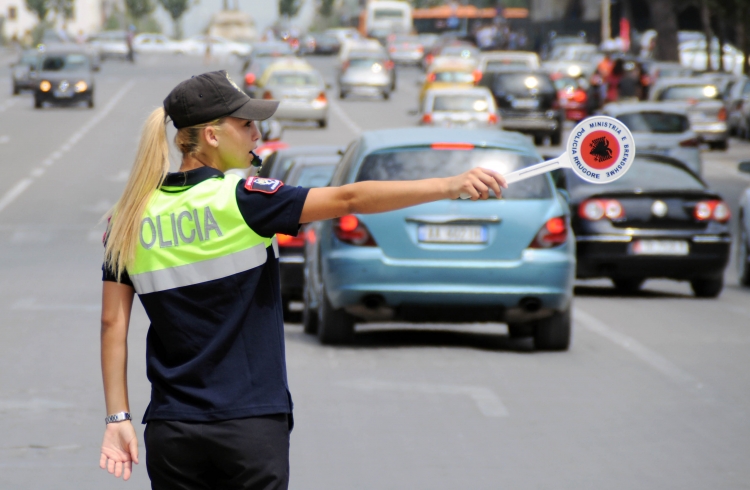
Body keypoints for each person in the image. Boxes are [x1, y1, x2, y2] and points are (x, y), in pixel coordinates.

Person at [98, 70, 507, 489]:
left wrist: (118, 418)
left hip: (172, 430)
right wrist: (448, 185)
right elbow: (348, 198)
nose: (257, 134)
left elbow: (113, 325)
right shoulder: (242, 199)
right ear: (212, 137)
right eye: (246, 124)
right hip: (249, 425)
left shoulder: (128, 218)